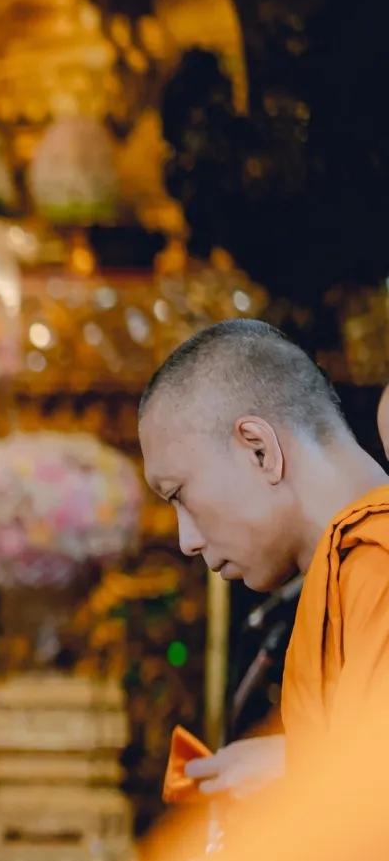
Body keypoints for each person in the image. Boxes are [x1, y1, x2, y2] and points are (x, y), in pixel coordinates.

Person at [139, 317, 389, 797]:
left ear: (259, 450)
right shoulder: (340, 577)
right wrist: (300, 762)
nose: (186, 541)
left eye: (179, 494)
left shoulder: (376, 565)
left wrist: (302, 775)